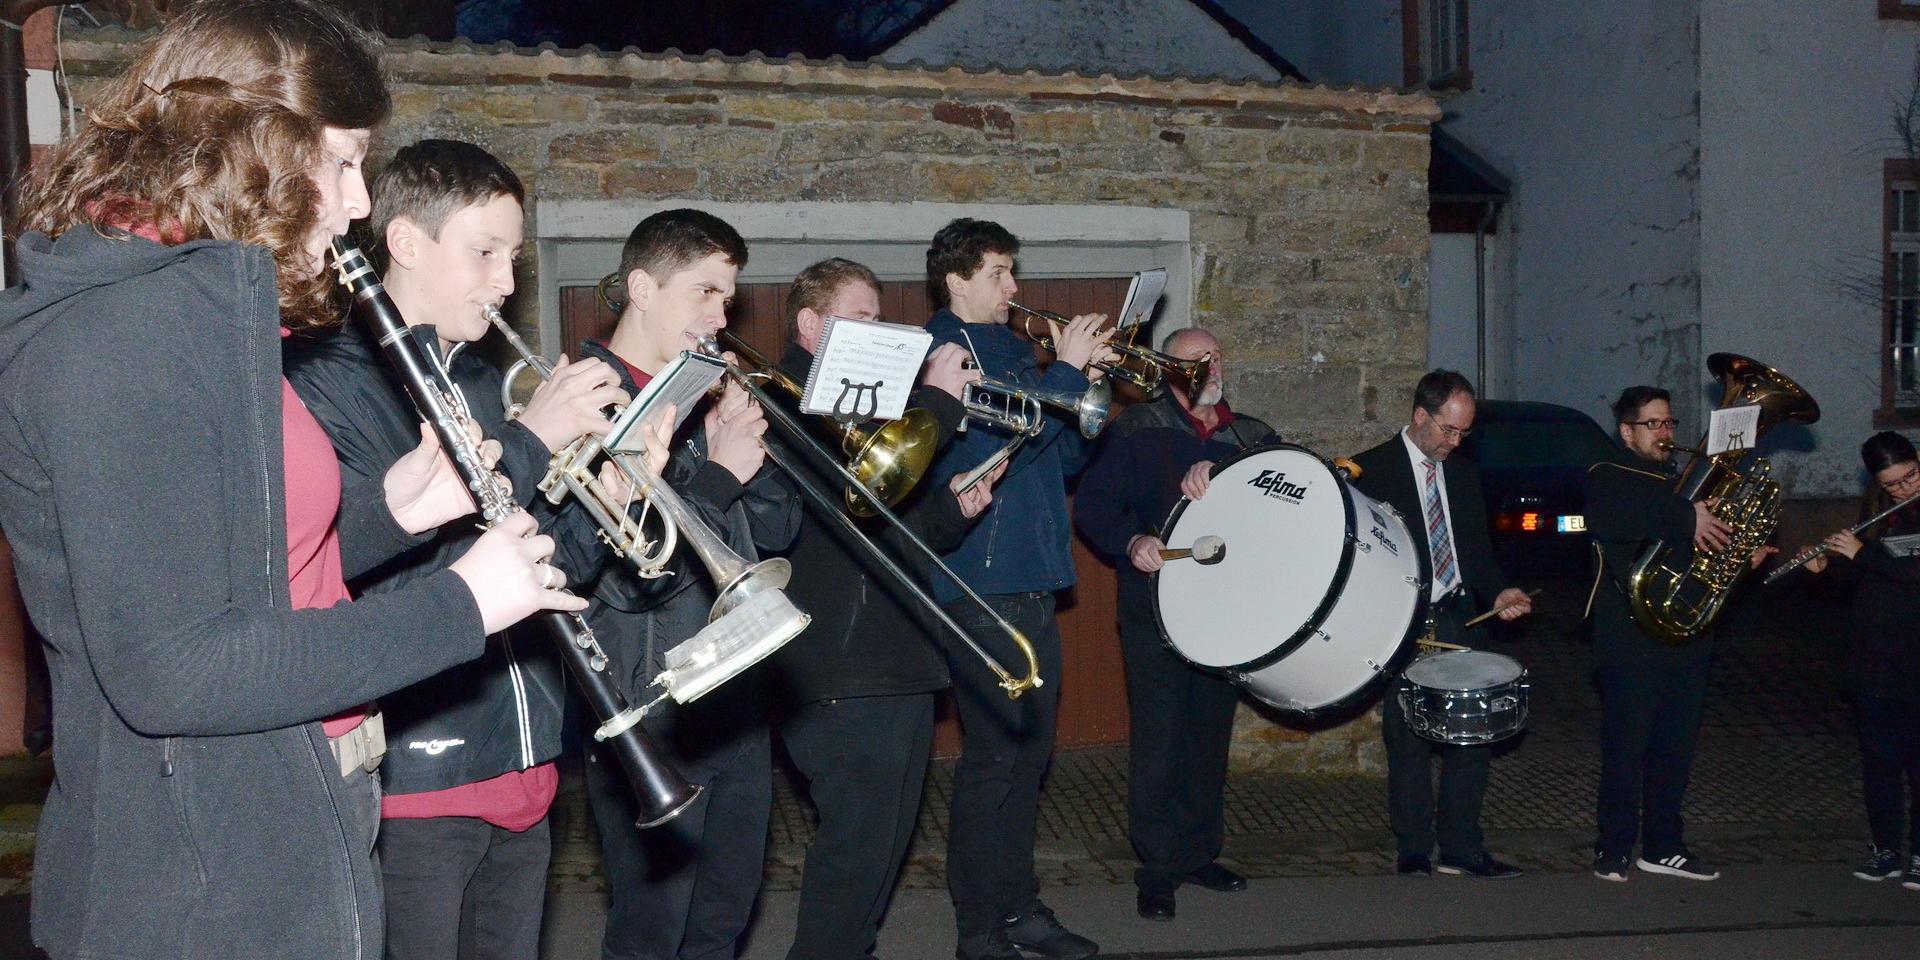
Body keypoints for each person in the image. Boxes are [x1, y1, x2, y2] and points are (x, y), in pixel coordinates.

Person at [0, 3, 577, 958]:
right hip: (200, 882)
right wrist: (462, 604)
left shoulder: (209, 319)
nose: (360, 204)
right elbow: (173, 671)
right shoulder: (124, 337)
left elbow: (240, 561)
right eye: (345, 162)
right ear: (253, 147)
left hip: (291, 809)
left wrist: (391, 512)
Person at [287, 139, 654, 960]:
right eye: (484, 252)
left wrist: (608, 508)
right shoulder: (323, 380)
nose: (508, 283)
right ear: (407, 243)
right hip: (416, 778)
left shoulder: (480, 383)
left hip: (524, 761)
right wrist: (532, 438)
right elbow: (353, 570)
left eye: (515, 257)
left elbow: (543, 572)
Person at [761, 257, 1005, 960]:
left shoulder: (874, 414)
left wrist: (953, 513)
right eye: (862, 318)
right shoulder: (782, 402)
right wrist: (939, 403)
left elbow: (896, 532)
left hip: (897, 658)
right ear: (812, 326)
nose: (879, 330)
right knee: (854, 853)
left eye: (878, 318)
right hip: (838, 667)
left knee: (882, 852)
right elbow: (835, 508)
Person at [580, 208, 801, 960]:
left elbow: (772, 538)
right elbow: (617, 578)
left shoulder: (699, 392)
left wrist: (747, 455)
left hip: (734, 691)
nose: (720, 316)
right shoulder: (583, 401)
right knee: (652, 931)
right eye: (704, 293)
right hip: (653, 702)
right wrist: (716, 474)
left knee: (722, 919)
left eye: (727, 298)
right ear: (642, 287)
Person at [921, 218, 1115, 960]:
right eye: (1000, 273)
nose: (1014, 288)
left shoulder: (1011, 352)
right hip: (979, 581)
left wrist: (1085, 387)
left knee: (1029, 760)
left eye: (1011, 272)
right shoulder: (944, 357)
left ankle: (1019, 908)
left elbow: (1057, 464)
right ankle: (978, 928)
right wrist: (1062, 377)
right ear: (958, 279)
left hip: (1031, 576)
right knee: (993, 763)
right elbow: (985, 453)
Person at [1073, 327, 1272, 921]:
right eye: (1189, 362)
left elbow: (1282, 512)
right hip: (1155, 611)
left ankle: (1197, 853)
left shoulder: (1252, 437)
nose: (1205, 369)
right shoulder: (1135, 431)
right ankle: (1157, 869)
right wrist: (1131, 540)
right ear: (1165, 371)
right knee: (1160, 738)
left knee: (1208, 736)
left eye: (1212, 357)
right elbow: (1094, 508)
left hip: (1226, 615)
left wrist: (1229, 476)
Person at [1350, 369, 1533, 880]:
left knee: (1471, 734)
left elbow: (1475, 549)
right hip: (1404, 622)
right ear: (1420, 416)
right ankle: (1413, 847)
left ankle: (1461, 846)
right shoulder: (1371, 472)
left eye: (1464, 432)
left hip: (1458, 616)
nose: (1456, 442)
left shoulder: (1463, 471)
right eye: (1448, 430)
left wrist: (1499, 592)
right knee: (1407, 736)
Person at [1585, 385, 1768, 883]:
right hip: (1631, 638)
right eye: (1653, 424)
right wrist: (1688, 516)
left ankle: (1664, 846)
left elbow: (1700, 552)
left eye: (1670, 424)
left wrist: (1738, 555)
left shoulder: (1686, 480)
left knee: (1675, 748)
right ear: (1627, 432)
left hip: (1688, 633)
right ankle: (1614, 846)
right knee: (1627, 747)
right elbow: (1615, 517)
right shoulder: (1609, 475)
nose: (1666, 433)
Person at [1786, 431, 1920, 888]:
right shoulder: (1879, 515)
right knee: (1880, 760)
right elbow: (1858, 585)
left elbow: (1910, 575)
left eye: (1910, 478)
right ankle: (1885, 850)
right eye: (1892, 485)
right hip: (1875, 661)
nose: (1903, 490)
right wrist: (1823, 572)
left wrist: (1862, 555)